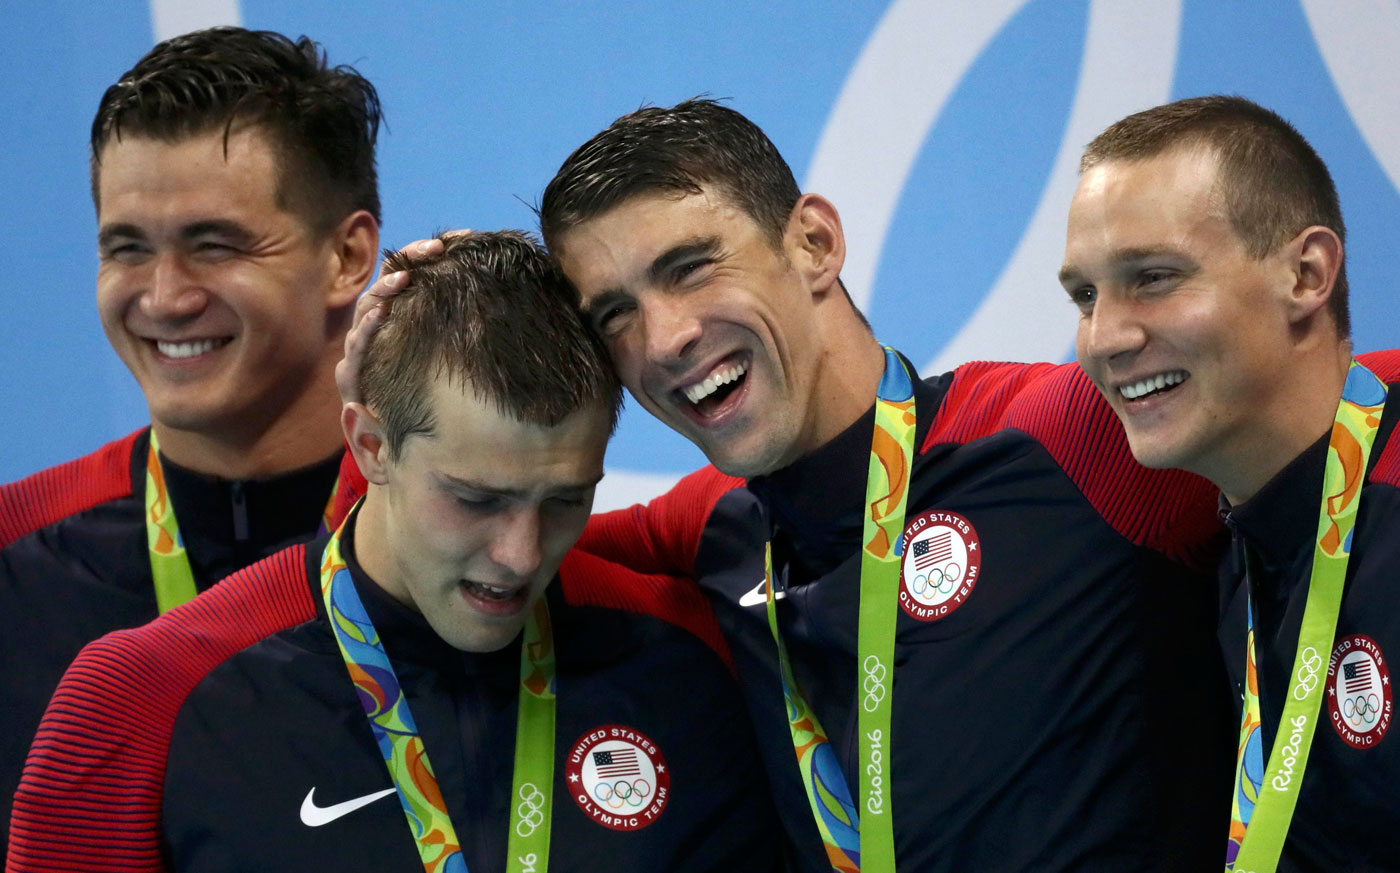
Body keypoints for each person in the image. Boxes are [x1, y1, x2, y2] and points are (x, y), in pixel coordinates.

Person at [349, 99, 1235, 871]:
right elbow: (420, 561)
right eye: (614, 314)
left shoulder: (1070, 438)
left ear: (814, 241)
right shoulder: (707, 534)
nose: (663, 340)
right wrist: (402, 382)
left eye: (690, 266)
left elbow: (1339, 416)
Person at [8, 232, 781, 873]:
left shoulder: (688, 653)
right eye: (475, 499)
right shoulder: (142, 698)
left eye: (564, 499)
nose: (518, 554)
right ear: (370, 445)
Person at [0, 27, 380, 850]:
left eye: (215, 245)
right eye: (127, 249)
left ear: (348, 257)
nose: (165, 298)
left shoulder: (478, 552)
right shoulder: (14, 563)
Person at [1063, 94, 1400, 873]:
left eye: (1153, 277)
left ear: (1306, 273)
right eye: (1084, 296)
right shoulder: (1230, 563)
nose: (1104, 337)